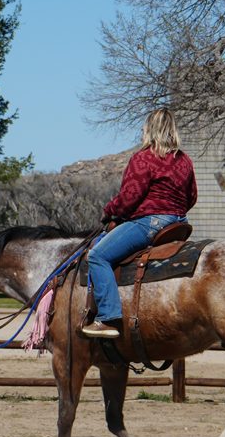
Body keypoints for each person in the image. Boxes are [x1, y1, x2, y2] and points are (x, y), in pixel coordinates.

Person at [79, 109, 196, 340]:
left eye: (144, 127)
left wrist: (110, 211)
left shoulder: (144, 158)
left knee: (97, 256)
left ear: (150, 129)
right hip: (178, 222)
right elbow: (192, 196)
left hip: (150, 222)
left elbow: (129, 197)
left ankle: (108, 317)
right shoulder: (184, 160)